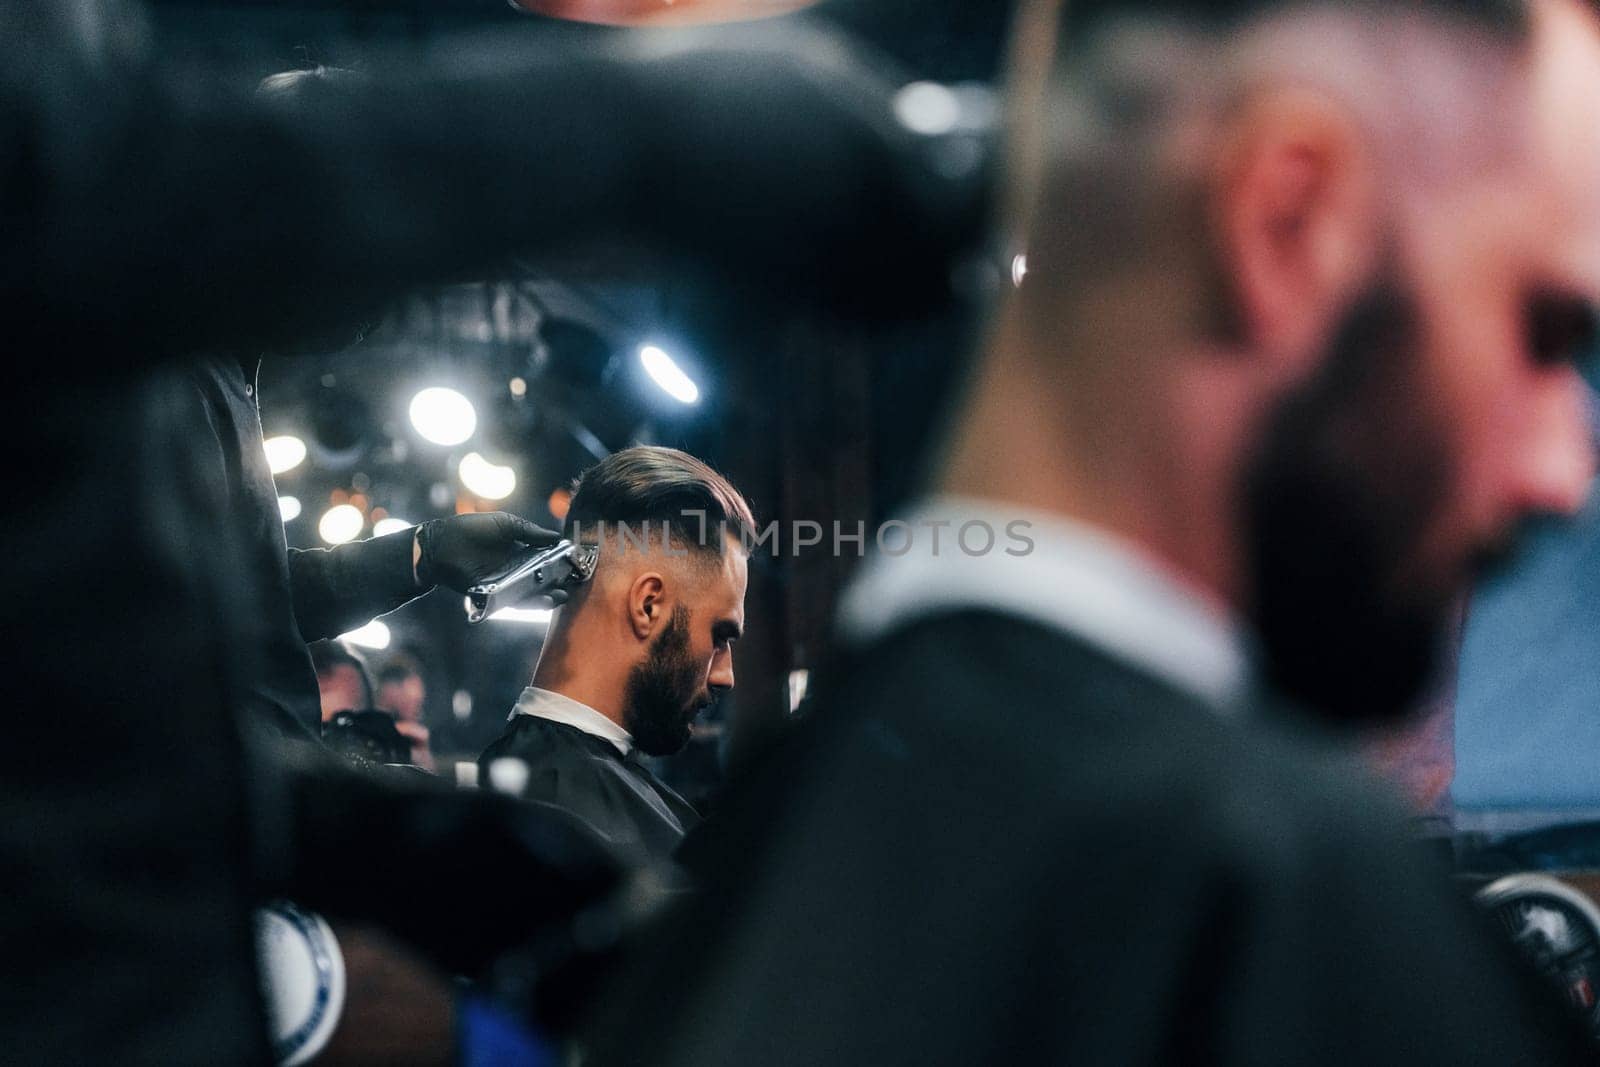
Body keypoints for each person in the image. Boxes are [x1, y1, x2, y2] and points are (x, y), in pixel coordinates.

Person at [585, 0, 1600, 1062]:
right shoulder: (1283, 904)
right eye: (1540, 331)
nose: (1561, 467)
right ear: (1288, 223)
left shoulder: (777, 847)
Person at [0, 2, 984, 1061]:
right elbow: (67, 179)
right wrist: (649, 127)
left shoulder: (172, 388)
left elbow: (143, 687)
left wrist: (412, 580)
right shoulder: (127, 305)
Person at [480, 447, 754, 861]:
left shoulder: (551, 787)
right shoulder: (564, 828)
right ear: (648, 605)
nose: (725, 675)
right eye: (719, 635)